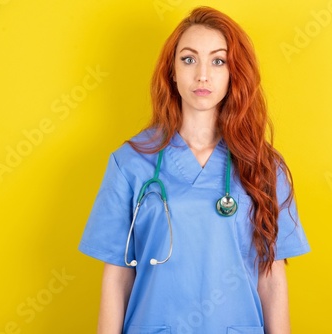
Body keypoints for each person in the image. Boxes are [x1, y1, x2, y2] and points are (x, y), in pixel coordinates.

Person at [79, 6, 310, 334]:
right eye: (188, 59)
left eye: (218, 61)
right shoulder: (130, 163)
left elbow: (272, 278)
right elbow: (117, 276)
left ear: (234, 73)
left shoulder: (264, 167)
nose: (203, 75)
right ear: (172, 71)